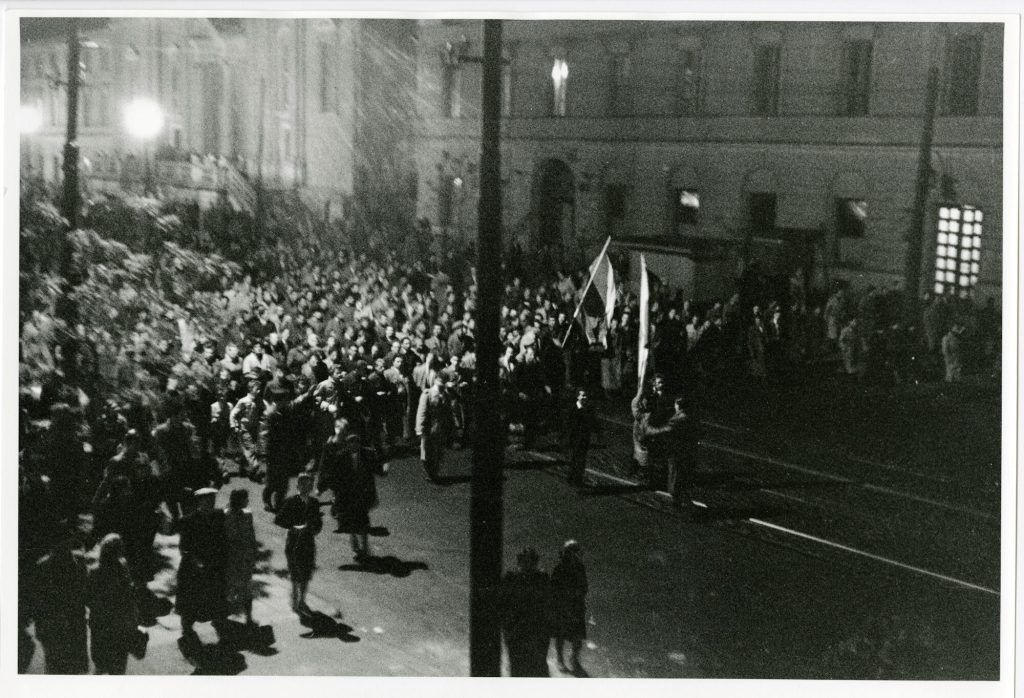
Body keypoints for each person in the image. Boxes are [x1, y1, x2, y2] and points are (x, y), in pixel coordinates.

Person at [318, 416, 378, 563]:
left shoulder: (366, 455)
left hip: (362, 495)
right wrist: (322, 487)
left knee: (363, 523)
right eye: (351, 442)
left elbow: (372, 475)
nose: (354, 445)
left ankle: (364, 547)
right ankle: (355, 546)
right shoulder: (340, 456)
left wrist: (373, 495)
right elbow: (331, 473)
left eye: (356, 442)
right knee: (351, 523)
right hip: (347, 495)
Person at [28, 533, 90, 674]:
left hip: (55, 625)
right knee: (70, 668)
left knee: (55, 666)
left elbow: (37, 599)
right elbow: (86, 592)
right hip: (71, 624)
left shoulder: (42, 565)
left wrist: (39, 626)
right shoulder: (78, 563)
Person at [176, 487, 228, 643]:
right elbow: (183, 547)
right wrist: (195, 561)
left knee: (217, 596)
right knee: (190, 600)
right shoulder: (188, 520)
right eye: (206, 500)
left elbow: (225, 538)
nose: (210, 503)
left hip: (214, 565)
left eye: (212, 500)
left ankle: (219, 622)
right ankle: (186, 627)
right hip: (193, 568)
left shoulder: (220, 516)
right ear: (199, 502)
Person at [86, 534, 141, 675]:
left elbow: (88, 598)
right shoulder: (123, 568)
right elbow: (129, 595)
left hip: (100, 624)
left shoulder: (94, 571)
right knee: (118, 668)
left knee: (100, 665)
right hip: (121, 625)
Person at [274, 473, 323, 616]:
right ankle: (295, 597)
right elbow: (278, 520)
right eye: (304, 485)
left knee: (307, 572)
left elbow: (318, 523)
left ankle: (302, 600)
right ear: (298, 486)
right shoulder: (291, 502)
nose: (306, 488)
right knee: (295, 572)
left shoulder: (314, 503)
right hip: (294, 542)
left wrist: (314, 529)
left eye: (309, 485)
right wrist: (294, 526)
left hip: (308, 542)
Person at [500, 547, 552, 677]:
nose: (528, 565)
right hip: (518, 633)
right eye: (525, 561)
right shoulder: (511, 580)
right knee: (520, 668)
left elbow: (549, 605)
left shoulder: (542, 580)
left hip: (535, 633)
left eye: (531, 562)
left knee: (536, 668)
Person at [550, 540, 588, 675]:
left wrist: (578, 594)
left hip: (576, 606)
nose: (578, 556)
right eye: (575, 553)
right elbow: (553, 588)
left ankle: (574, 658)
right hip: (562, 606)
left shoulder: (580, 568)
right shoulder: (559, 568)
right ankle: (560, 658)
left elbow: (584, 587)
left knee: (577, 636)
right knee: (560, 635)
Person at [223, 488, 258, 626]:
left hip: (244, 556)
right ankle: (223, 616)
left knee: (246, 588)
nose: (248, 501)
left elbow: (251, 535)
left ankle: (248, 617)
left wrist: (254, 553)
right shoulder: (225, 515)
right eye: (245, 498)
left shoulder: (248, 515)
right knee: (228, 587)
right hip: (230, 556)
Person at [416, 373, 452, 483]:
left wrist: (451, 427)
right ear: (435, 380)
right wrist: (419, 429)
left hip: (441, 427)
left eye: (444, 381)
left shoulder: (446, 394)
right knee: (427, 453)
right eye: (440, 381)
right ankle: (431, 473)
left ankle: (434, 473)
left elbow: (448, 412)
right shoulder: (427, 394)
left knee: (439, 452)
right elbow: (421, 413)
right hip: (429, 427)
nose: (442, 383)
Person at [565, 388, 599, 488]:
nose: (585, 397)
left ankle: (578, 478)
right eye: (582, 395)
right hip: (575, 438)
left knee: (581, 459)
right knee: (575, 459)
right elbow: (569, 424)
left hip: (584, 438)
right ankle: (573, 478)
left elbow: (593, 422)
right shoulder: (573, 408)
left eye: (586, 395)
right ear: (577, 396)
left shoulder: (589, 408)